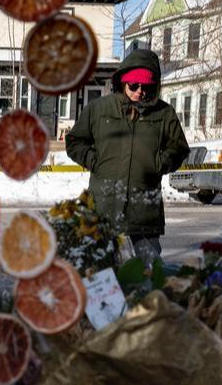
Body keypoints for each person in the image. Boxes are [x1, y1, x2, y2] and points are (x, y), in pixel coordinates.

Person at [65, 49, 190, 261]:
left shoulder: (164, 113)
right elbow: (74, 141)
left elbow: (179, 148)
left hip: (144, 208)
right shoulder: (99, 109)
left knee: (149, 271)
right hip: (104, 205)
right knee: (101, 270)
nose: (139, 91)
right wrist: (94, 161)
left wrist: (159, 164)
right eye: (134, 85)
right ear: (123, 82)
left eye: (147, 87)